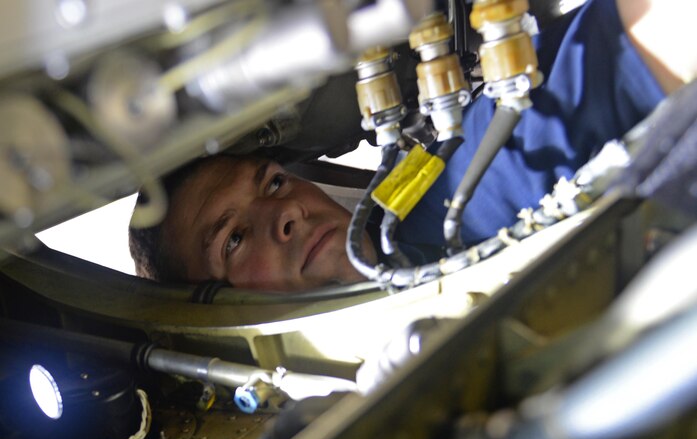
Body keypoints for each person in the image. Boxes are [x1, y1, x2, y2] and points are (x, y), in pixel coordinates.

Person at [130, 0, 696, 291]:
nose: (284, 214)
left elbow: (640, 44)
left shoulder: (438, 199)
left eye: (273, 183)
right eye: (231, 239)